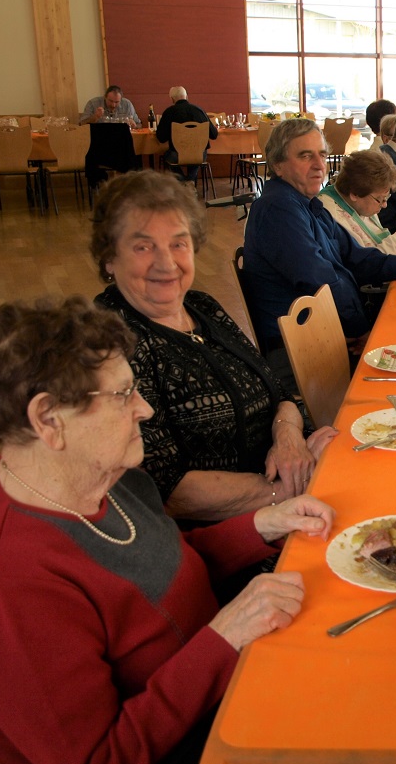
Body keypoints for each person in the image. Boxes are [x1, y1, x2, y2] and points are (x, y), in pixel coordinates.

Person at [0, 296, 334, 764]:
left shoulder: (87, 474)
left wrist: (260, 524)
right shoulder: (8, 585)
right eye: (124, 395)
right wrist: (226, 635)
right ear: (48, 419)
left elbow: (160, 564)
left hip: (194, 692)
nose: (143, 408)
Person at [91, 170, 335, 520]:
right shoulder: (112, 343)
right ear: (109, 258)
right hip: (234, 533)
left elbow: (279, 392)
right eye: (143, 246)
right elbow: (170, 491)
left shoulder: (200, 306)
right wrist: (290, 489)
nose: (166, 263)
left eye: (178, 243)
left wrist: (290, 438)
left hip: (292, 482)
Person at [242, 119, 396, 374]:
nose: (318, 166)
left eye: (322, 155)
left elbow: (361, 259)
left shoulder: (306, 204)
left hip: (329, 329)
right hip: (302, 347)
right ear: (278, 164)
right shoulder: (278, 210)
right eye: (305, 156)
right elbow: (321, 282)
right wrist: (362, 329)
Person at [318, 150, 396, 254]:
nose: (385, 205)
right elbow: (367, 263)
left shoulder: (361, 201)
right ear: (355, 194)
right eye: (380, 199)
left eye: (386, 198)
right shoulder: (331, 214)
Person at [156, 86, 218, 182]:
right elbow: (214, 135)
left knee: (168, 156)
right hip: (200, 154)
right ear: (186, 96)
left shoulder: (169, 112)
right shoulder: (199, 111)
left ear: (172, 99)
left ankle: (184, 182)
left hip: (177, 155)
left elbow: (161, 138)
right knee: (195, 156)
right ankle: (190, 181)